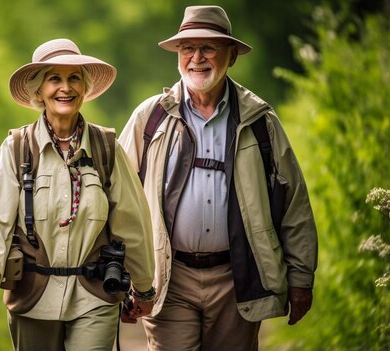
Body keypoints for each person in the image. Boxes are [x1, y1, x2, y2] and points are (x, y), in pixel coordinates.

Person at [118, 6, 318, 351]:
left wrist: (301, 278)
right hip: (168, 278)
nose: (197, 58)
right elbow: (117, 196)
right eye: (187, 48)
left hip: (236, 278)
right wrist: (122, 275)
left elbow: (293, 202)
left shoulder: (260, 121)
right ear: (178, 56)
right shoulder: (150, 117)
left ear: (231, 56)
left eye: (208, 48)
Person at [0, 38, 156, 351]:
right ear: (38, 91)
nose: (64, 88)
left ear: (85, 88)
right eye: (54, 78)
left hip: (95, 297)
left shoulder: (107, 148)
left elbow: (132, 224)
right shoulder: (17, 149)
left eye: (74, 78)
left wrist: (144, 289)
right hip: (32, 299)